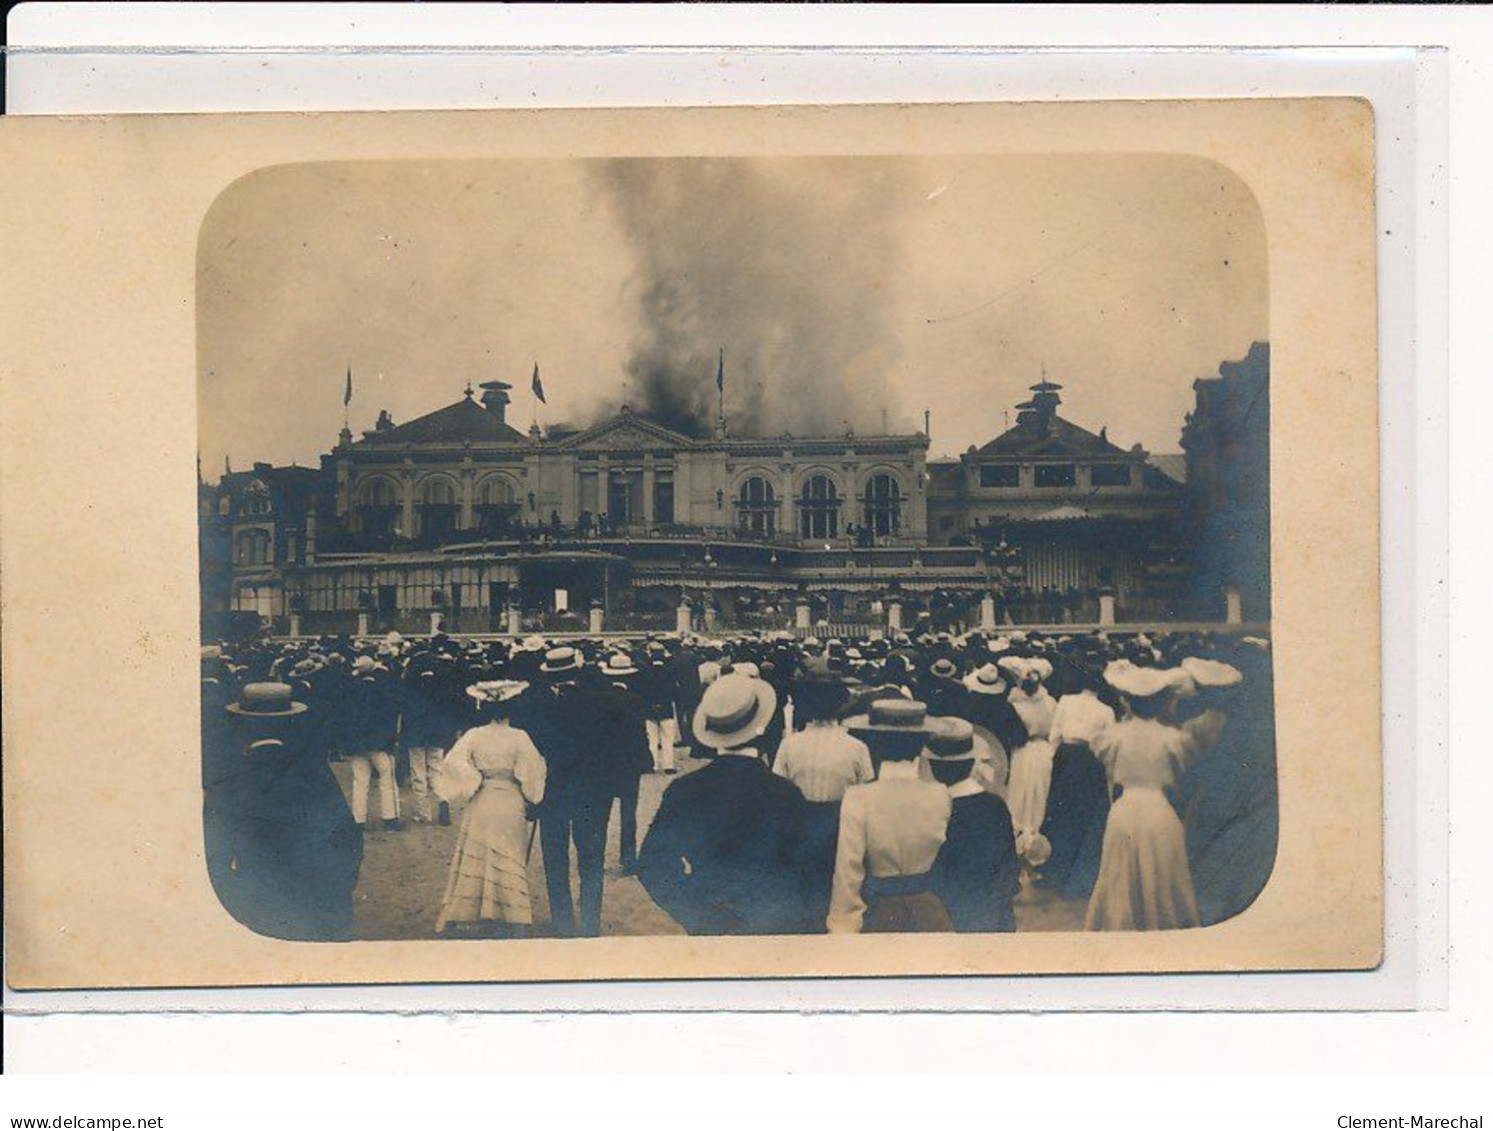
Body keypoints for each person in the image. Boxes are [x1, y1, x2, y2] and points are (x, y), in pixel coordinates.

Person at [637, 673, 813, 935]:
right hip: (768, 921)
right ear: (761, 727)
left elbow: (653, 863)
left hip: (709, 917)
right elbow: (804, 868)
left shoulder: (685, 790)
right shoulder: (784, 793)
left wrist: (695, 912)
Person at [205, 682, 364, 941]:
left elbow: (215, 864)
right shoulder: (316, 775)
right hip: (322, 917)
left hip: (261, 920)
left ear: (241, 726)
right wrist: (336, 894)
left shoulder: (227, 785)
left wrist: (246, 908)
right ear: (290, 723)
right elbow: (349, 841)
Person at [1085, 661, 1201, 931]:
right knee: (1160, 874)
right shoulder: (1172, 738)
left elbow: (1108, 769)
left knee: (1120, 874)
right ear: (1161, 703)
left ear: (1126, 702)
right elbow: (1182, 779)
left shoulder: (1112, 735)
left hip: (1125, 810)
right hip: (1158, 810)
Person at [513, 647, 613, 938]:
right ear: (575, 670)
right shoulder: (598, 700)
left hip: (551, 792)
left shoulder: (531, 703)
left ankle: (563, 922)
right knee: (591, 858)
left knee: (555, 859)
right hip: (591, 793)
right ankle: (591, 922)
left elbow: (526, 752)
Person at [829, 700, 953, 934]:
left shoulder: (858, 797)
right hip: (930, 913)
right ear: (921, 744)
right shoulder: (941, 794)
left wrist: (842, 928)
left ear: (874, 744)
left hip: (880, 912)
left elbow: (848, 871)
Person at [434, 680, 546, 937]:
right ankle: (515, 918)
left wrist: (474, 780)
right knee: (509, 855)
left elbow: (451, 763)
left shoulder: (474, 735)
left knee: (479, 854)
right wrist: (533, 796)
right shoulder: (520, 737)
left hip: (483, 800)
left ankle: (469, 913)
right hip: (509, 800)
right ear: (511, 708)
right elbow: (533, 772)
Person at [772, 677, 874, 929]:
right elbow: (866, 793)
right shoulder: (856, 747)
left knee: (804, 892)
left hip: (799, 825)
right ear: (841, 707)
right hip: (842, 825)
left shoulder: (789, 745)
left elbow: (777, 788)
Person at [925, 717, 1020, 932]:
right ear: (971, 762)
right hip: (995, 913)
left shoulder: (936, 809)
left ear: (933, 765)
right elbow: (1009, 867)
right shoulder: (995, 805)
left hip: (951, 916)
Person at [1037, 658, 1118, 900]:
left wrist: (1054, 761)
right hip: (1089, 761)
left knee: (1060, 814)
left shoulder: (1066, 701)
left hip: (1066, 757)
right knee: (1085, 816)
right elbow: (1108, 746)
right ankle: (1080, 877)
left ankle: (1054, 871)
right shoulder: (1106, 710)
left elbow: (1055, 734)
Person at [591, 653, 655, 874]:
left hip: (604, 764)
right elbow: (641, 734)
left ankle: (596, 859)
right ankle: (628, 859)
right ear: (629, 677)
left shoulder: (598, 700)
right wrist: (645, 760)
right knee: (629, 812)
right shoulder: (636, 701)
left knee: (601, 814)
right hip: (629, 764)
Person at [1000, 656, 1058, 870]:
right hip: (1044, 751)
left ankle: (1021, 841)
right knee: (1040, 796)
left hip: (1023, 753)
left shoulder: (1014, 704)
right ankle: (1036, 842)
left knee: (1020, 795)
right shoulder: (1050, 703)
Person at [343, 655, 403, 830]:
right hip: (379, 742)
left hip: (357, 742)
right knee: (387, 779)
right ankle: (390, 818)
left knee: (360, 781)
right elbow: (390, 716)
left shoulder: (351, 689)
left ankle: (358, 819)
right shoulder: (383, 689)